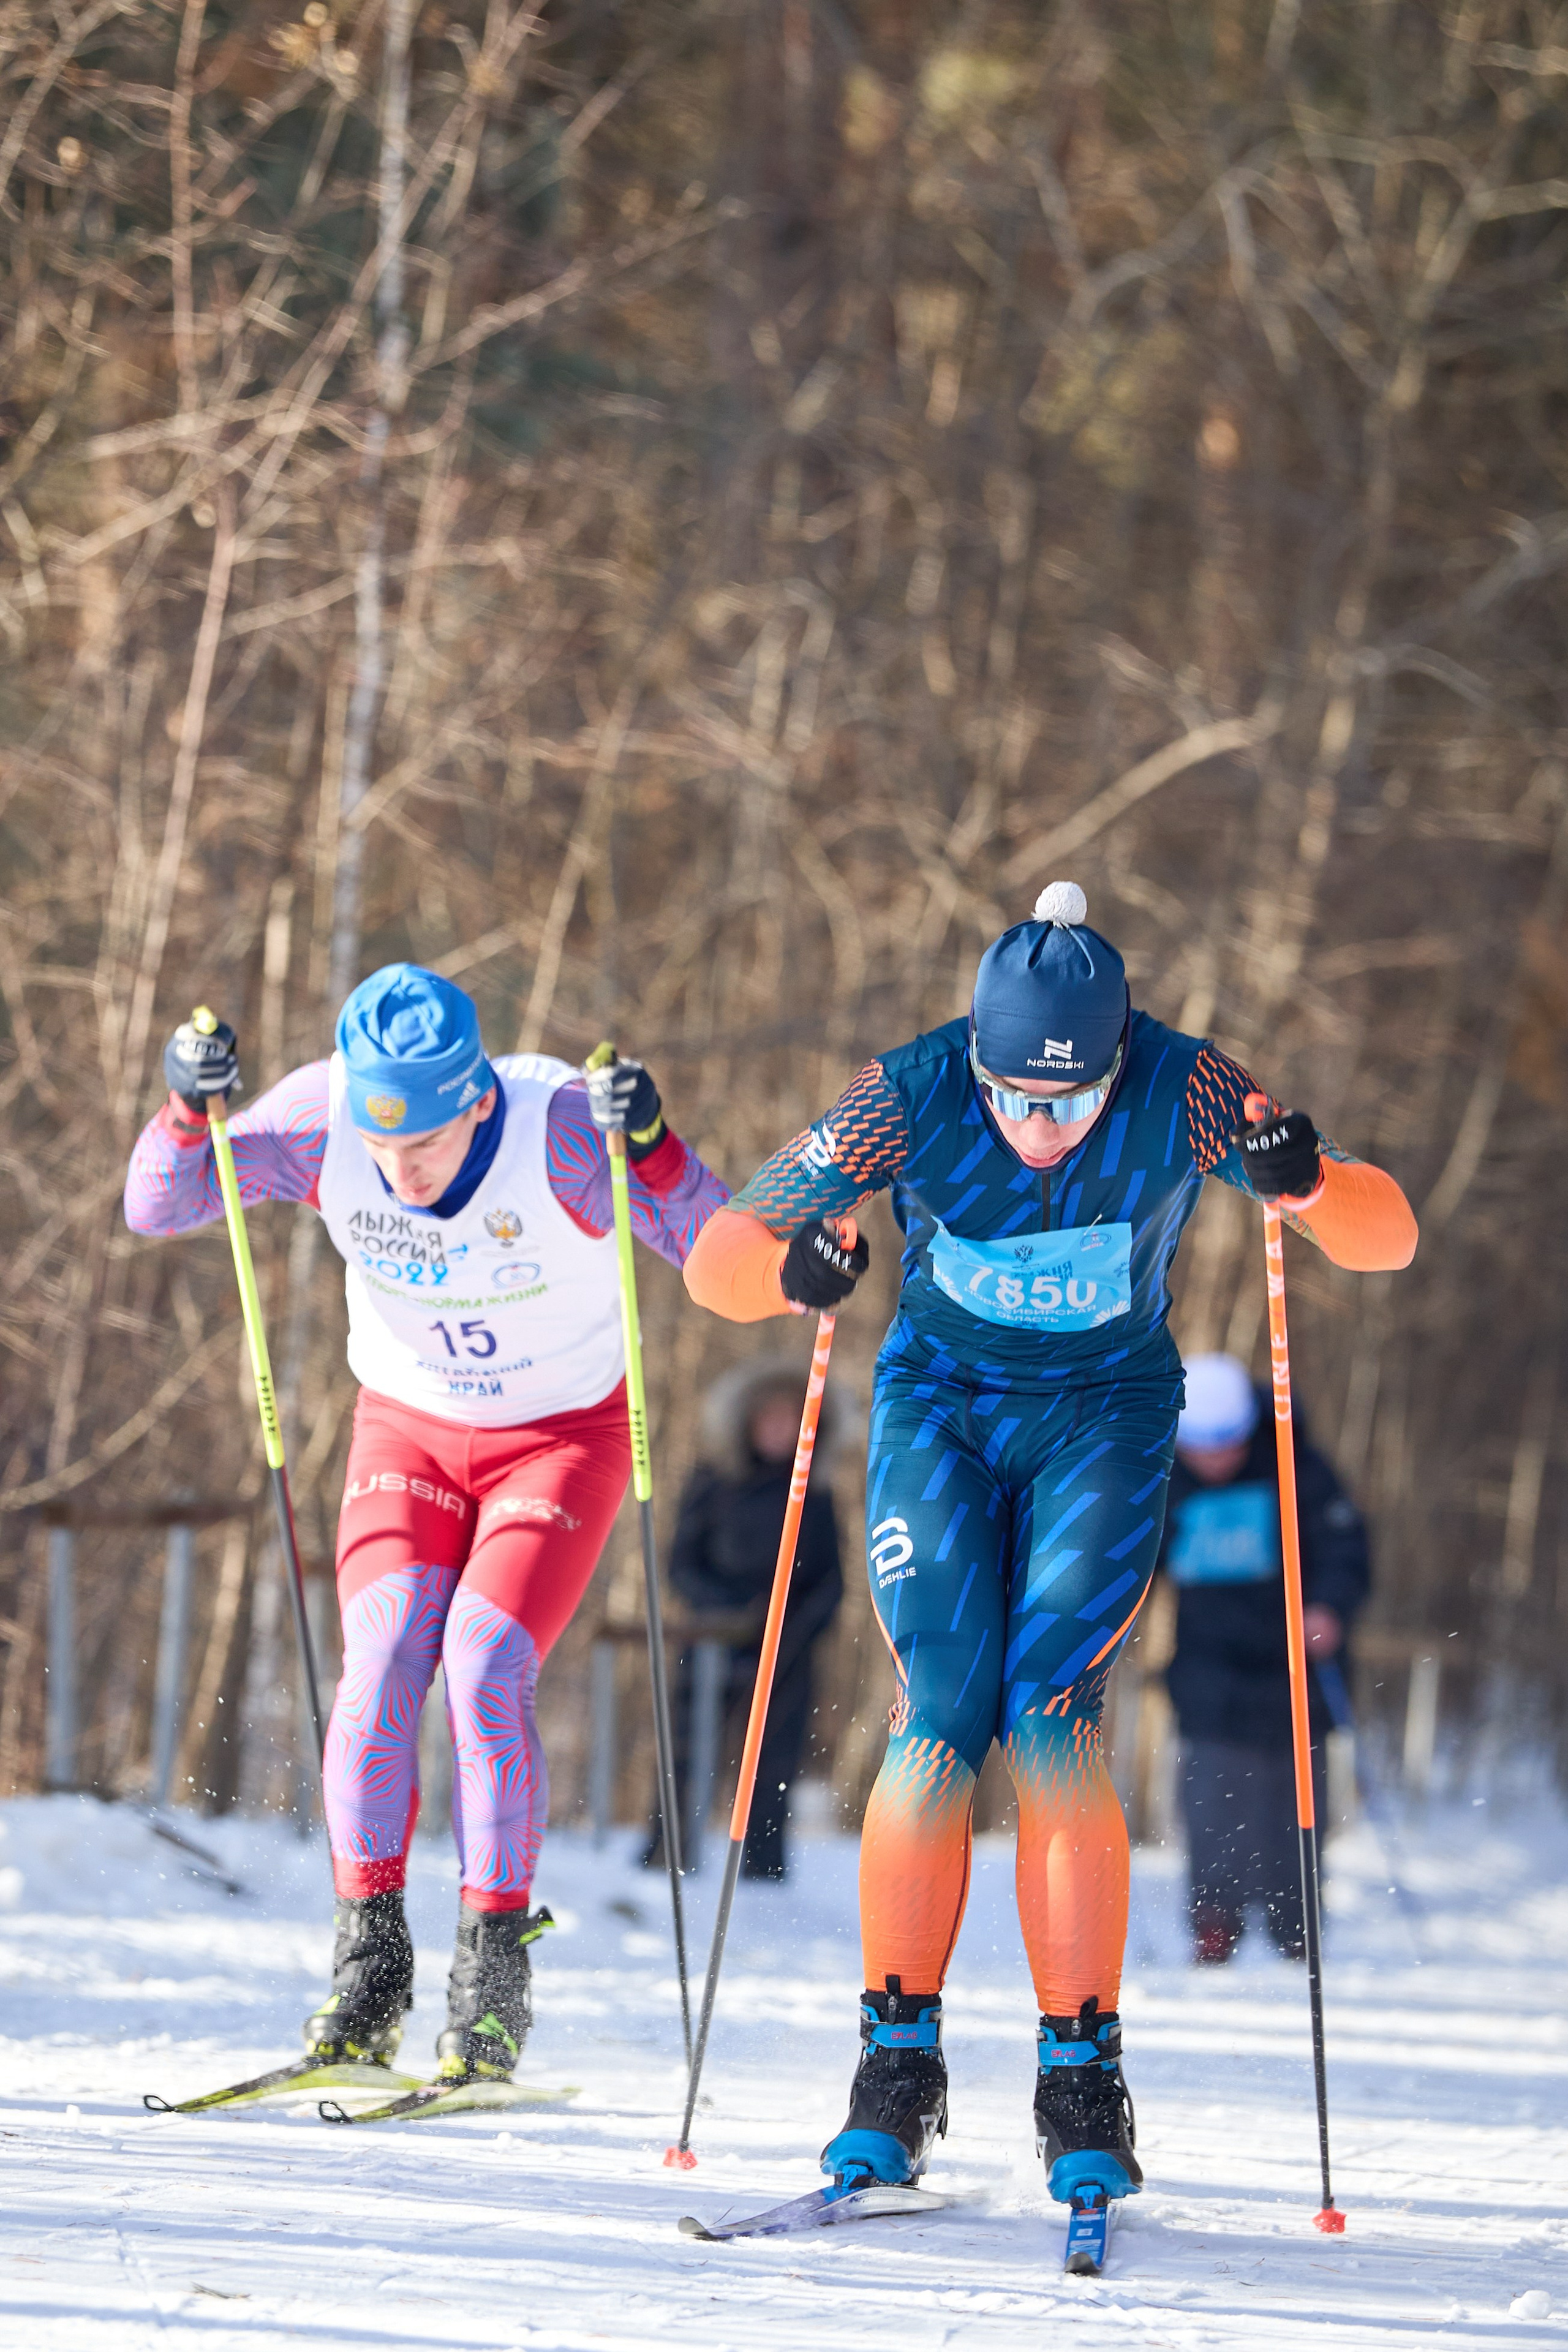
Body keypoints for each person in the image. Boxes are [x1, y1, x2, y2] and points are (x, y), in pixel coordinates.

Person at [680, 880, 1416, 2220]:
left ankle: (1080, 2084)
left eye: (1068, 1105)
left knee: (1049, 1713)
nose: (1036, 1127)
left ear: (1114, 1064)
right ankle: (891, 2077)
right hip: (941, 1413)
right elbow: (718, 1259)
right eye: (1014, 1095)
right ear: (974, 1054)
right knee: (942, 1710)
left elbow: (1382, 1239)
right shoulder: (897, 1097)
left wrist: (1298, 1176)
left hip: (1103, 1420)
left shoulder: (1189, 1090)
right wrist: (794, 1277)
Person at [124, 967, 726, 2086]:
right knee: (385, 1660)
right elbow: (159, 1205)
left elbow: (719, 1255)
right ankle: (370, 1969)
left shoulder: (553, 1131)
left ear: (477, 1101)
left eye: (429, 1146)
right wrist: (181, 1105)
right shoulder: (320, 1121)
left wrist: (651, 1148)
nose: (401, 1172)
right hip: (409, 1431)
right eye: (382, 1142)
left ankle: (493, 1983)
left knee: (483, 1662)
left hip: (559, 1438)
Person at [1160, 1351, 1370, 1966]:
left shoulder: (1297, 1467)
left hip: (1293, 1669)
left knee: (1293, 1805)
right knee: (1210, 1802)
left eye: (1226, 1445)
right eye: (1200, 1447)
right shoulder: (1164, 1476)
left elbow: (1347, 1547)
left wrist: (1329, 1607)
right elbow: (1134, 1560)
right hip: (1207, 1670)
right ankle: (1213, 1924)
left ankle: (1295, 1926)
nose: (1213, 1460)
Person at [644, 1357, 843, 1882]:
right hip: (711, 1642)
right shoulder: (714, 1481)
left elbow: (830, 1583)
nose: (779, 1431)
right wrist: (729, 1612)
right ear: (747, 1422)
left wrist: (789, 1635)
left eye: (790, 1421)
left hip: (787, 1653)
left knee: (774, 1763)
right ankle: (666, 1853)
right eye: (769, 1419)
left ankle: (763, 1866)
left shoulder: (815, 1496)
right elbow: (682, 1564)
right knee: (687, 1751)